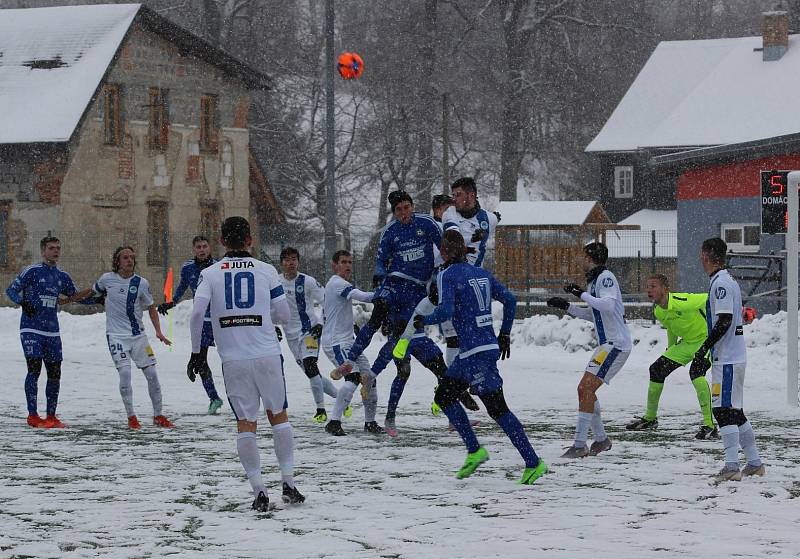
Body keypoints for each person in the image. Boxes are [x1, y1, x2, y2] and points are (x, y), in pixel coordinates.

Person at [188, 216, 304, 512]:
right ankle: (288, 483)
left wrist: (196, 352)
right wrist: (265, 319)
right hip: (267, 354)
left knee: (246, 423)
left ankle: (259, 490)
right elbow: (284, 315)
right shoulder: (266, 270)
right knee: (279, 415)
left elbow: (196, 313)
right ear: (250, 240)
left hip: (233, 359)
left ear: (222, 241)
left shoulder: (211, 273)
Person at [419, 230, 547, 484]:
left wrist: (425, 320)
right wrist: (504, 334)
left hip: (476, 353)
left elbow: (445, 310)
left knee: (498, 409)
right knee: (443, 396)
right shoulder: (481, 273)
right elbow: (510, 300)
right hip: (475, 350)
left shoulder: (446, 274)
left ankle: (533, 462)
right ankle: (475, 450)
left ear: (444, 252)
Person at [547, 241, 631, 458]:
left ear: (590, 257)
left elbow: (608, 306)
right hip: (606, 345)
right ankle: (601, 440)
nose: (579, 260)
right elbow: (594, 314)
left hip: (616, 344)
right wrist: (566, 306)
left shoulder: (606, 278)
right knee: (584, 390)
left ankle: (580, 444)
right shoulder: (595, 281)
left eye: (582, 256)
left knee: (586, 389)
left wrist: (580, 293)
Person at [5, 236, 92, 428]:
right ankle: (33, 415)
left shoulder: (62, 276)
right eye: (52, 248)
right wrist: (22, 302)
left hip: (52, 331)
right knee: (34, 369)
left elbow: (75, 297)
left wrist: (97, 297)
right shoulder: (32, 271)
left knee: (55, 373)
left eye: (58, 248)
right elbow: (10, 290)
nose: (56, 251)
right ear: (43, 251)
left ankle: (51, 416)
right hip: (31, 329)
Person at [698, 238, 764, 482]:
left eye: (701, 254)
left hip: (727, 360)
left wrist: (704, 348)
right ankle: (755, 463)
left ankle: (732, 466)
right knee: (735, 412)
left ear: (706, 255)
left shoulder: (722, 283)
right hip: (731, 357)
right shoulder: (725, 280)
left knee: (722, 411)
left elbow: (724, 320)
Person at [625, 274, 718, 439]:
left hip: (706, 341)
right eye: (647, 286)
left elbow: (710, 299)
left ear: (665, 289)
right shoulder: (659, 310)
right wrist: (671, 348)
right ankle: (650, 418)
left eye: (653, 286)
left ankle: (709, 426)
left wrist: (719, 322)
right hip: (686, 344)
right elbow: (671, 327)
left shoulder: (683, 301)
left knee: (696, 374)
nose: (649, 290)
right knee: (656, 370)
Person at [92, 247, 175, 430]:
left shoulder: (141, 283)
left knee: (152, 374)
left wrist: (158, 331)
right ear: (117, 261)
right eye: (125, 257)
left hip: (138, 337)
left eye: (131, 257)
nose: (129, 260)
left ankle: (158, 415)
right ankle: (132, 417)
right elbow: (93, 293)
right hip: (116, 337)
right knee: (125, 374)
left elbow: (151, 307)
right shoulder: (107, 279)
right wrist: (73, 298)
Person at [157, 235, 224, 415]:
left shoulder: (218, 267)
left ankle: (239, 397)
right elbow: (181, 287)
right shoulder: (188, 268)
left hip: (221, 321)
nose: (201, 250)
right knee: (200, 360)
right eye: (198, 247)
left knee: (231, 358)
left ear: (209, 248)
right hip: (202, 320)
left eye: (204, 246)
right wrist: (171, 302)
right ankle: (214, 398)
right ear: (193, 250)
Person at [321, 250, 382, 436]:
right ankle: (333, 422)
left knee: (369, 378)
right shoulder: (337, 283)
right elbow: (362, 297)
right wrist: (385, 292)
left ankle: (370, 423)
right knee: (353, 379)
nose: (348, 265)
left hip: (349, 342)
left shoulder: (340, 283)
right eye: (343, 262)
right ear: (334, 265)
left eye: (350, 262)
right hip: (336, 342)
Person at [278, 247, 338, 423]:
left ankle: (320, 410)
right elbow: (268, 305)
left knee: (310, 366)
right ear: (281, 262)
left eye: (294, 259)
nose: (291, 263)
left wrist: (320, 323)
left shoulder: (308, 281)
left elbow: (328, 301)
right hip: (291, 336)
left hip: (310, 331)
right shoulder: (274, 282)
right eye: (287, 259)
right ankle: (341, 397)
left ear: (298, 262)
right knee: (313, 374)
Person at [441, 177, 499, 267]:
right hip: (453, 273)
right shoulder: (449, 213)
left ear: (471, 195)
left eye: (458, 195)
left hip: (477, 275)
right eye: (453, 195)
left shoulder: (490, 218)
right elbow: (453, 241)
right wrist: (473, 238)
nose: (454, 199)